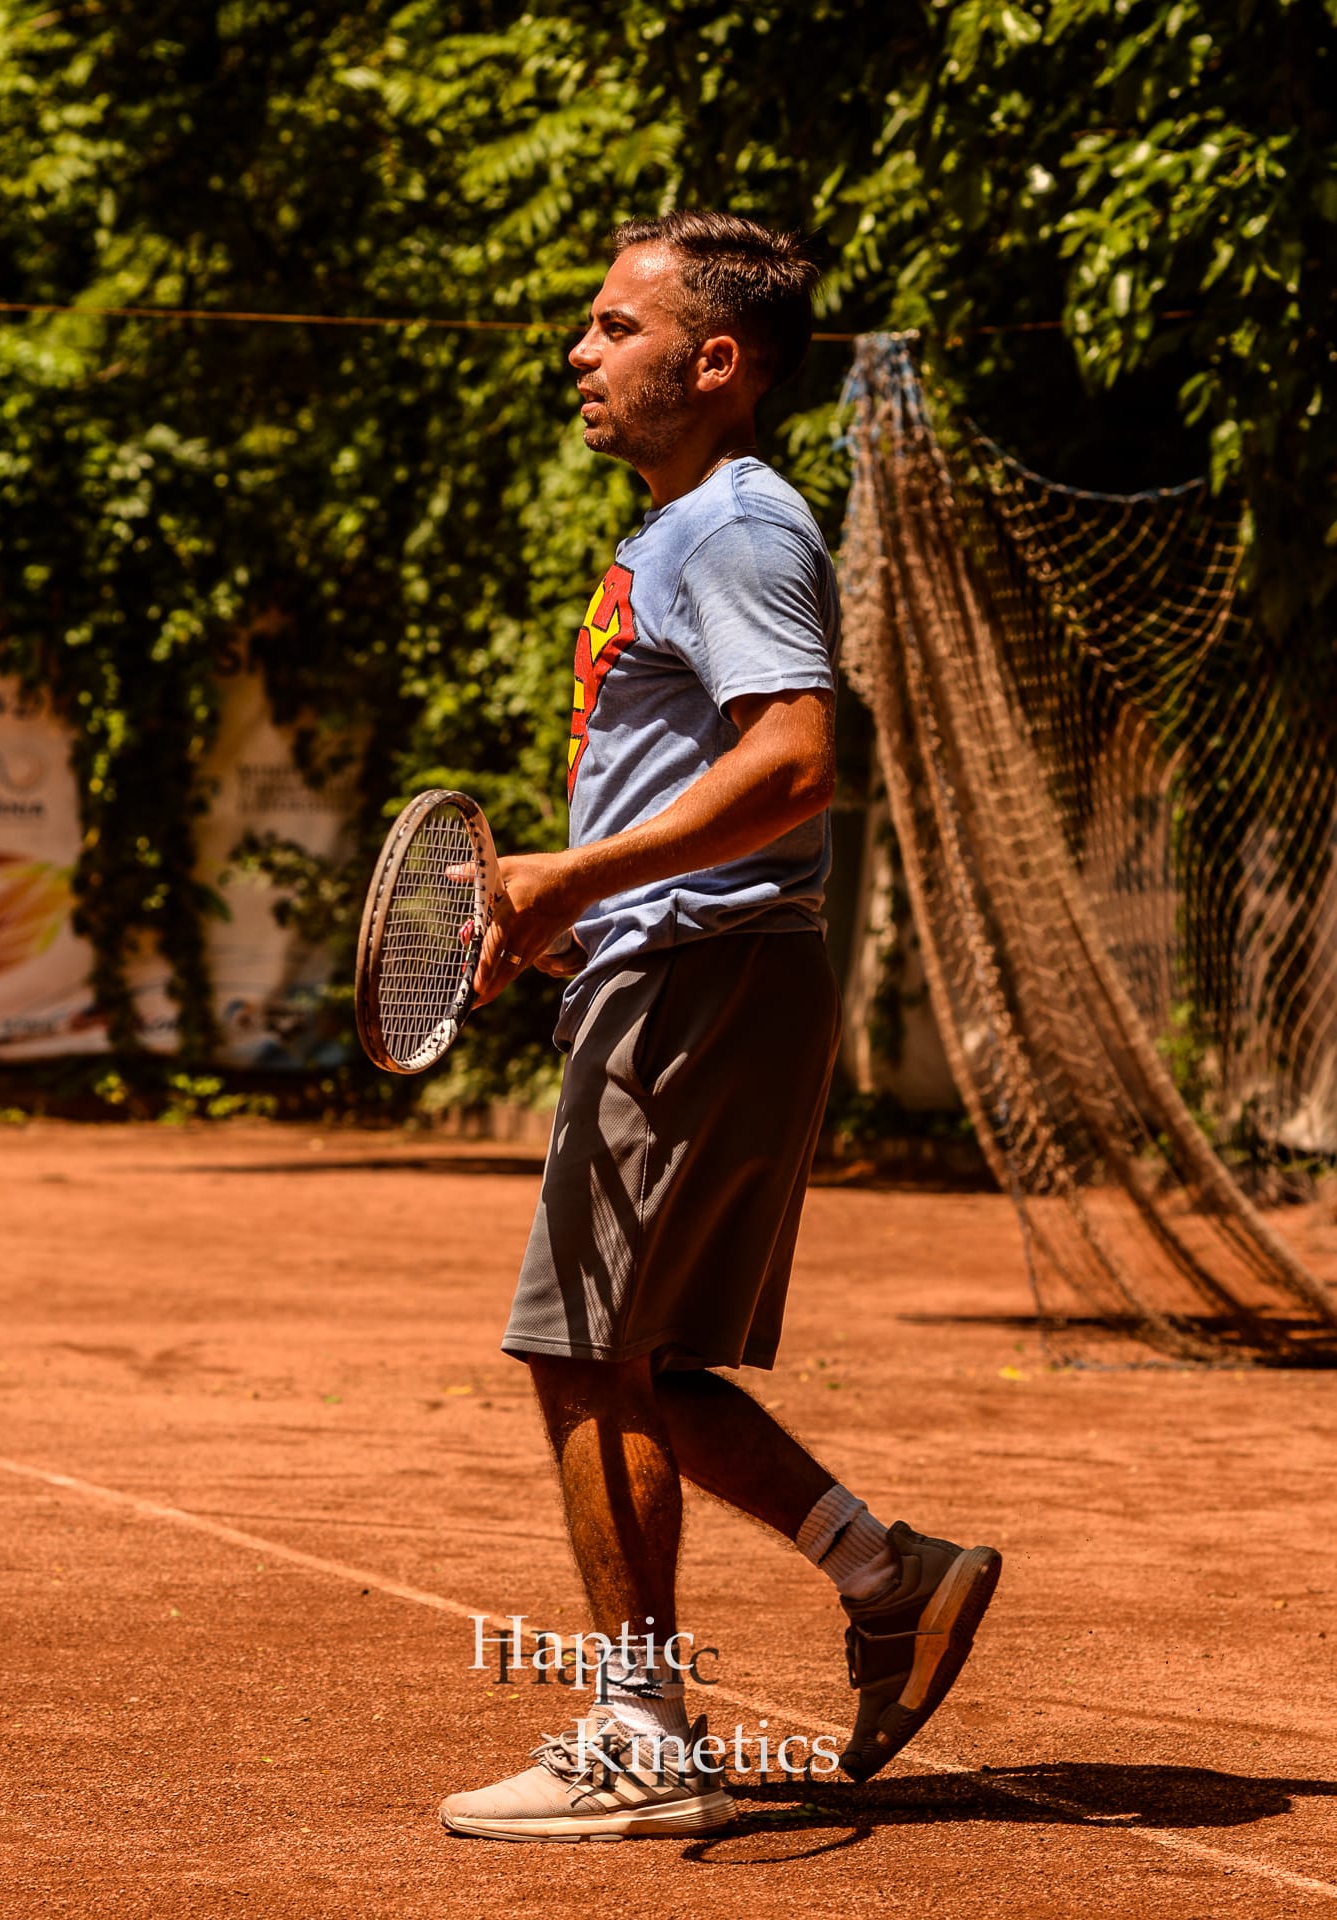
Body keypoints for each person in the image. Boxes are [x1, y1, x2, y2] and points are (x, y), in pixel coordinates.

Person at [438, 211, 1000, 1844]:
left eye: (616, 326)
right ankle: (890, 1575)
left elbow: (795, 764)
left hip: (706, 973)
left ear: (717, 358)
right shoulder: (688, 531)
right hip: (681, 967)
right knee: (651, 1358)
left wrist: (580, 879)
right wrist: (574, 921)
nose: (581, 353)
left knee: (581, 1350)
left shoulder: (737, 528)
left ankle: (640, 1730)